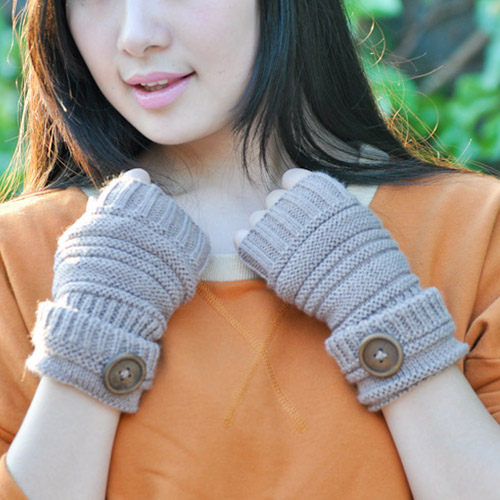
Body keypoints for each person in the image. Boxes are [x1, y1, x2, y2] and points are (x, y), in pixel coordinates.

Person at [0, 0, 499, 498]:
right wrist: (92, 334)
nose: (135, 36)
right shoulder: (15, 254)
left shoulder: (475, 231)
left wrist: (384, 311)